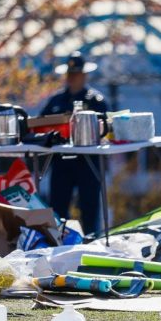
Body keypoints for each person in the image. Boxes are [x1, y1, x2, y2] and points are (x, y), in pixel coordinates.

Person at [41, 52, 109, 236]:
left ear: (84, 75)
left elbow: (107, 128)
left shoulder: (96, 101)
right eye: (70, 74)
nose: (72, 78)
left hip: (88, 162)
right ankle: (58, 245)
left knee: (90, 211)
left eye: (76, 74)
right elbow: (40, 125)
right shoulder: (56, 100)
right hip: (62, 162)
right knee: (58, 210)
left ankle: (92, 245)